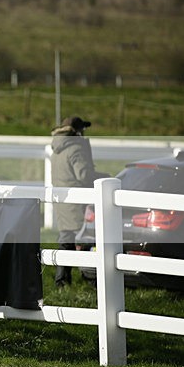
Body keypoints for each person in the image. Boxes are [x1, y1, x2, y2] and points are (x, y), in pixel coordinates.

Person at [50, 116, 108, 287]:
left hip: (63, 202)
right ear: (77, 130)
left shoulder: (57, 148)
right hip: (78, 203)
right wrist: (103, 178)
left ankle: (61, 281)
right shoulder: (75, 148)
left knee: (66, 240)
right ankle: (91, 278)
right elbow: (83, 175)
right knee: (87, 239)